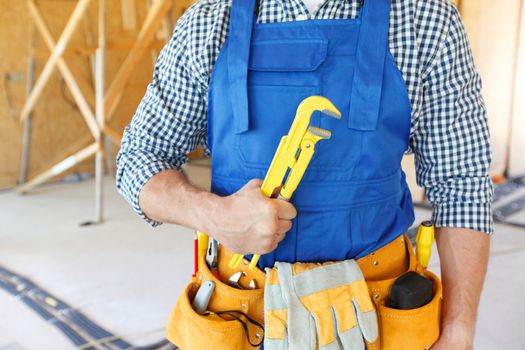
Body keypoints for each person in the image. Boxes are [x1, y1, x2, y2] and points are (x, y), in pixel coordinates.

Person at [116, 0, 492, 348]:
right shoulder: (209, 23)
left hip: (377, 312)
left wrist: (459, 329)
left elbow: (462, 183)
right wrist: (213, 215)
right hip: (242, 311)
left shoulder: (425, 21)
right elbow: (139, 157)